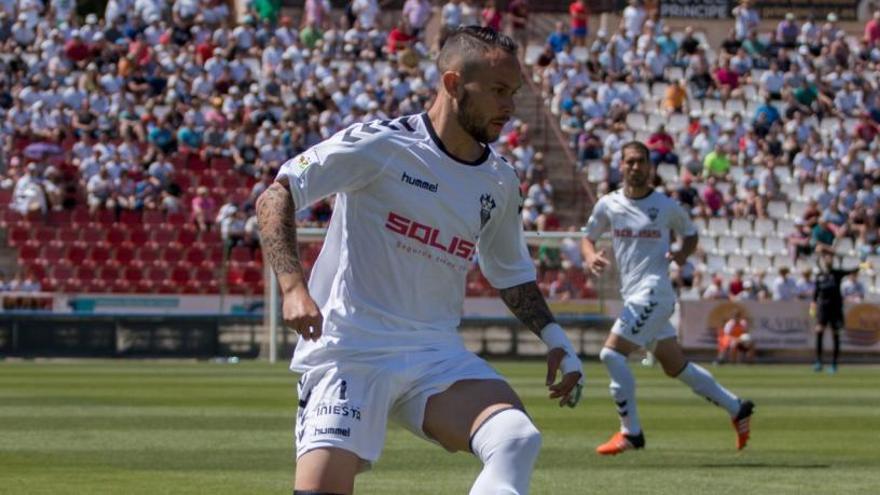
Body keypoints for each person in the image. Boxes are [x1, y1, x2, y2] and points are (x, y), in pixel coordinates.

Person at [256, 27, 584, 494]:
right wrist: (292, 288)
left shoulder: (499, 181)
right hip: (350, 349)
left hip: (433, 355)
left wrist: (556, 339)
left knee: (515, 438)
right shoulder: (381, 145)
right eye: (496, 92)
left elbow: (510, 273)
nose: (509, 106)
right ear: (452, 84)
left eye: (512, 93)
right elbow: (277, 195)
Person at [582, 141, 754, 456]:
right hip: (634, 294)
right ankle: (737, 407)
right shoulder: (608, 205)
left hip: (654, 291)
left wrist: (680, 255)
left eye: (641, 162)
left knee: (611, 355)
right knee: (676, 366)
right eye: (630, 162)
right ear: (621, 166)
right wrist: (591, 255)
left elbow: (690, 234)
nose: (635, 167)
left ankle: (630, 432)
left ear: (650, 168)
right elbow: (587, 237)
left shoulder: (665, 206)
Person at [811, 252, 859, 374]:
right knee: (819, 331)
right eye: (826, 258)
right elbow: (816, 292)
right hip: (823, 308)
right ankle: (818, 361)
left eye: (830, 259)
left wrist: (863, 265)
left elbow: (852, 270)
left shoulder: (836, 273)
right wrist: (813, 304)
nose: (828, 260)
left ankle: (834, 363)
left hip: (835, 308)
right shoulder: (819, 276)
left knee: (835, 334)